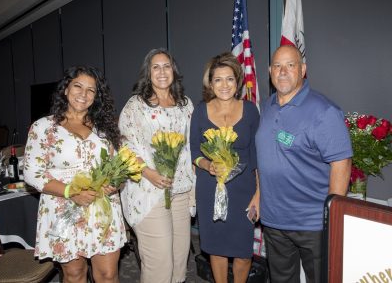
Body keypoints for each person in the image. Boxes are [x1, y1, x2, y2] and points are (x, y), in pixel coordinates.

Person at [255, 45, 353, 283]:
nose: (283, 71)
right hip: (275, 219)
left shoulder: (324, 111)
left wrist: (333, 216)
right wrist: (259, 194)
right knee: (282, 279)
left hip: (313, 222)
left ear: (303, 69)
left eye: (290, 65)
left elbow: (342, 162)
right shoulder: (267, 107)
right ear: (270, 71)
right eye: (277, 66)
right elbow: (264, 156)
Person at [23, 66, 126, 283]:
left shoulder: (105, 128)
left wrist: (115, 183)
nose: (83, 94)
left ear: (96, 97)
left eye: (91, 90)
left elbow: (119, 166)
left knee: (108, 275)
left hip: (103, 210)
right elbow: (31, 173)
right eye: (78, 86)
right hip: (63, 208)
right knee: (74, 275)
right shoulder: (43, 127)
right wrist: (71, 192)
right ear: (65, 89)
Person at [118, 48, 195, 283]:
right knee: (160, 264)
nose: (162, 71)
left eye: (167, 66)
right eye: (156, 67)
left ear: (174, 71)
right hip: (149, 192)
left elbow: (192, 145)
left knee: (179, 260)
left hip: (180, 191)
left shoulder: (185, 104)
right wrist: (148, 173)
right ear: (147, 72)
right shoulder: (136, 106)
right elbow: (124, 147)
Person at [190, 52, 260, 283]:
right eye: (218, 79)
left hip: (244, 191)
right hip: (210, 190)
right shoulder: (200, 111)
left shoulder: (250, 110)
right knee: (216, 247)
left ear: (237, 81)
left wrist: (259, 195)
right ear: (210, 83)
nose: (224, 85)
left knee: (242, 250)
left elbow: (256, 156)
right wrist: (208, 164)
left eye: (229, 79)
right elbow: (194, 153)